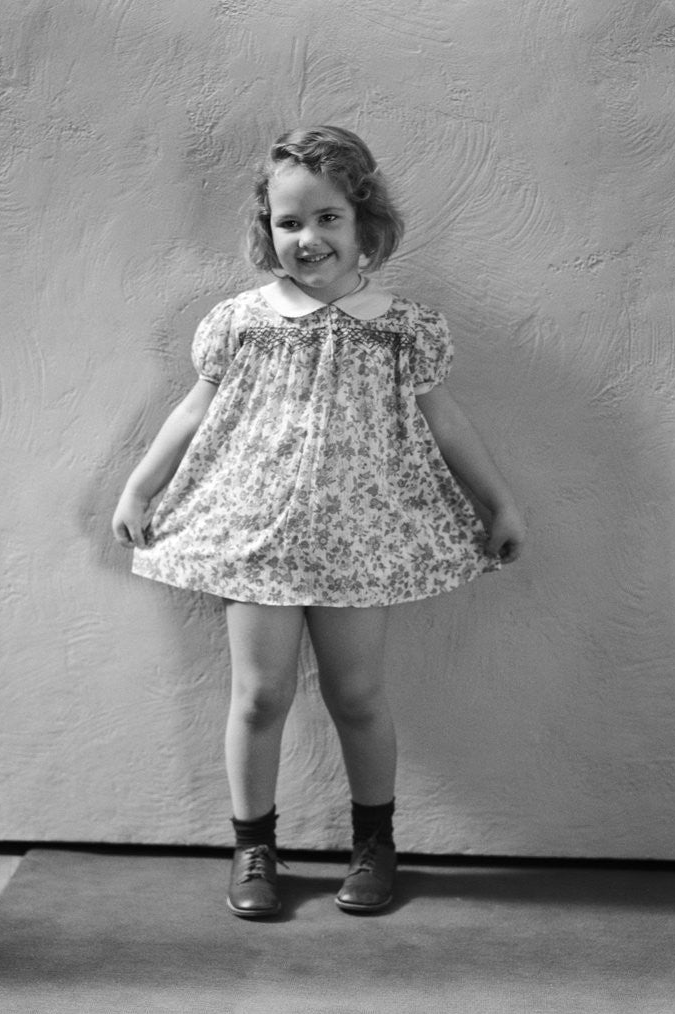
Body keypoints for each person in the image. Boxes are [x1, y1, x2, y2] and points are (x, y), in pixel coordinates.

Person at [112, 125, 526, 918]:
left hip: (358, 541)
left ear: (363, 222)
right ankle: (254, 847)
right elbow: (191, 413)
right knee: (260, 696)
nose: (308, 238)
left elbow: (447, 424)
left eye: (327, 218)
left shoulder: (402, 326)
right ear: (266, 229)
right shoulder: (243, 321)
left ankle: (374, 843)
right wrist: (140, 488)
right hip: (257, 539)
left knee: (359, 696)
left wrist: (497, 502)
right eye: (289, 222)